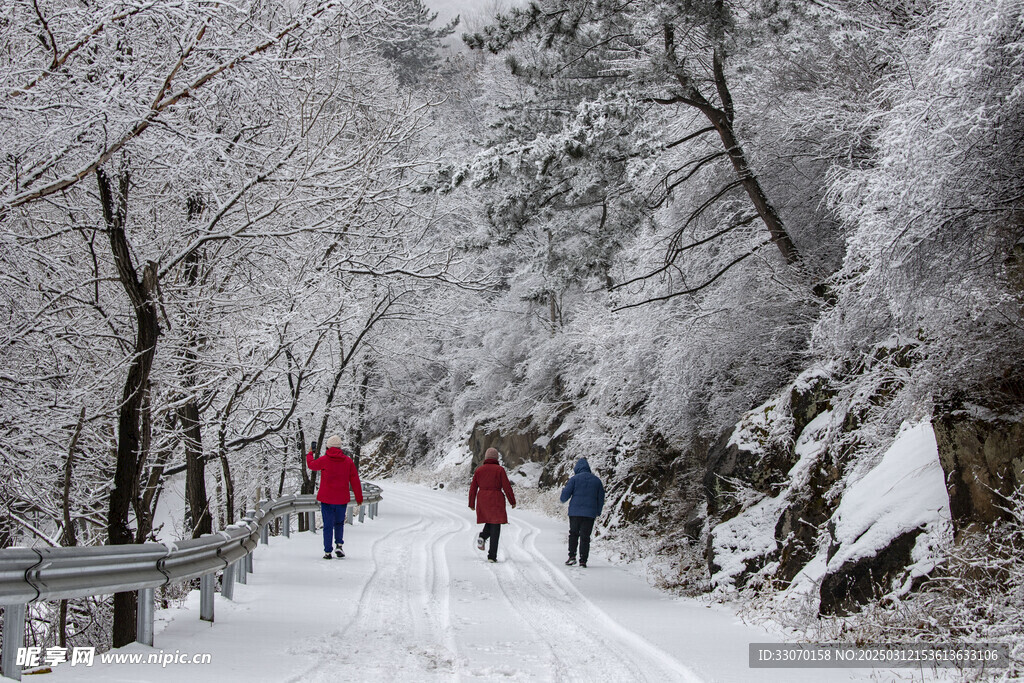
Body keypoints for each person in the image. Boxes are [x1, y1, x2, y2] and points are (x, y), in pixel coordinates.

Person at [307, 435, 363, 559]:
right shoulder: (348, 461)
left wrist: (310, 453)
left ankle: (327, 551)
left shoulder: (324, 460)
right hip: (341, 499)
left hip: (326, 499)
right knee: (339, 523)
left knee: (327, 525)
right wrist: (359, 497)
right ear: (340, 447)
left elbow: (311, 465)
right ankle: (339, 545)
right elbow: (354, 479)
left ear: (328, 447)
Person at [468, 447, 516, 562]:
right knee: (495, 526)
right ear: (496, 458)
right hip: (496, 499)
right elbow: (507, 487)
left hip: (482, 499)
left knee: (490, 521)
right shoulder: (500, 470)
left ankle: (483, 537)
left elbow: (473, 488)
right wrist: (512, 501)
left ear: (486, 457)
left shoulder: (479, 470)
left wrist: (471, 503)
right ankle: (492, 556)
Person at [559, 458, 605, 568]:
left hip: (575, 513)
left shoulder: (574, 479)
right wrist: (598, 511)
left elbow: (565, 495)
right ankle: (583, 560)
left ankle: (572, 556)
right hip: (590, 514)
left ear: (577, 468)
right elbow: (601, 498)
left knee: (573, 534)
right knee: (585, 537)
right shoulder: (597, 481)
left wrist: (562, 498)